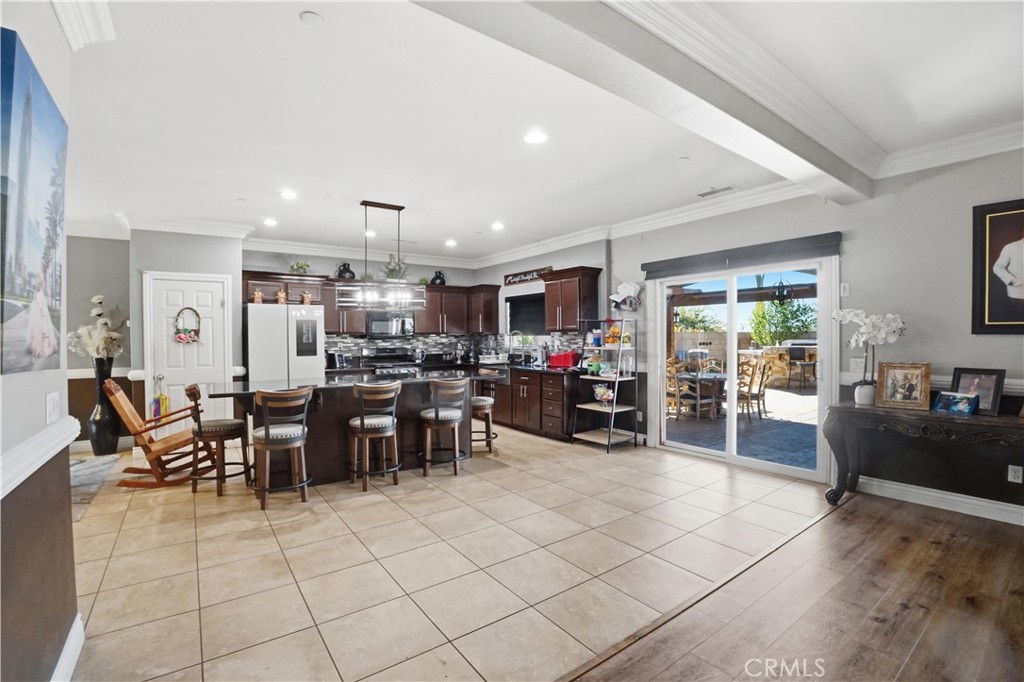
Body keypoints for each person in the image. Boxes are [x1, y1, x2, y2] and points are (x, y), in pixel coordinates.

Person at [26, 269, 59, 358]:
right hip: (39, 298)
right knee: (41, 321)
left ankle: (42, 345)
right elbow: (40, 287)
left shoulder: (42, 281)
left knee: (43, 321)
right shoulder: (40, 285)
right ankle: (41, 346)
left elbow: (41, 287)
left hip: (40, 297)